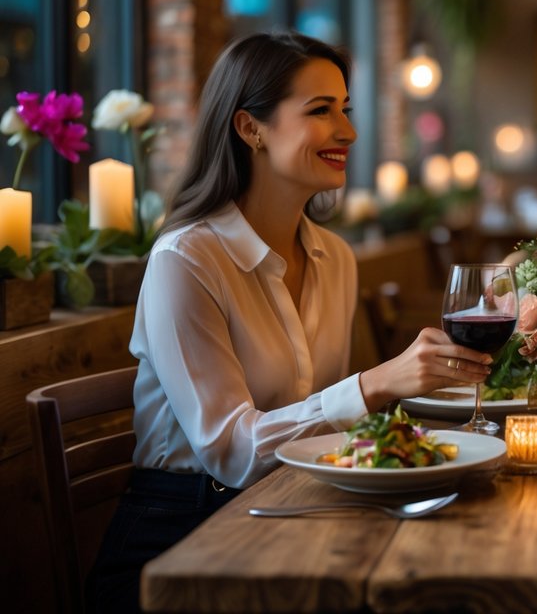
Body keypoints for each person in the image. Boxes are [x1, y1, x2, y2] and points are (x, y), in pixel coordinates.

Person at [90, 32, 492, 612]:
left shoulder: (336, 258)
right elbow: (230, 450)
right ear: (251, 129)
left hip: (296, 508)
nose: (348, 131)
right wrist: (378, 383)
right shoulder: (186, 260)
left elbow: (326, 430)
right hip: (181, 540)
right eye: (320, 111)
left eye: (345, 110)